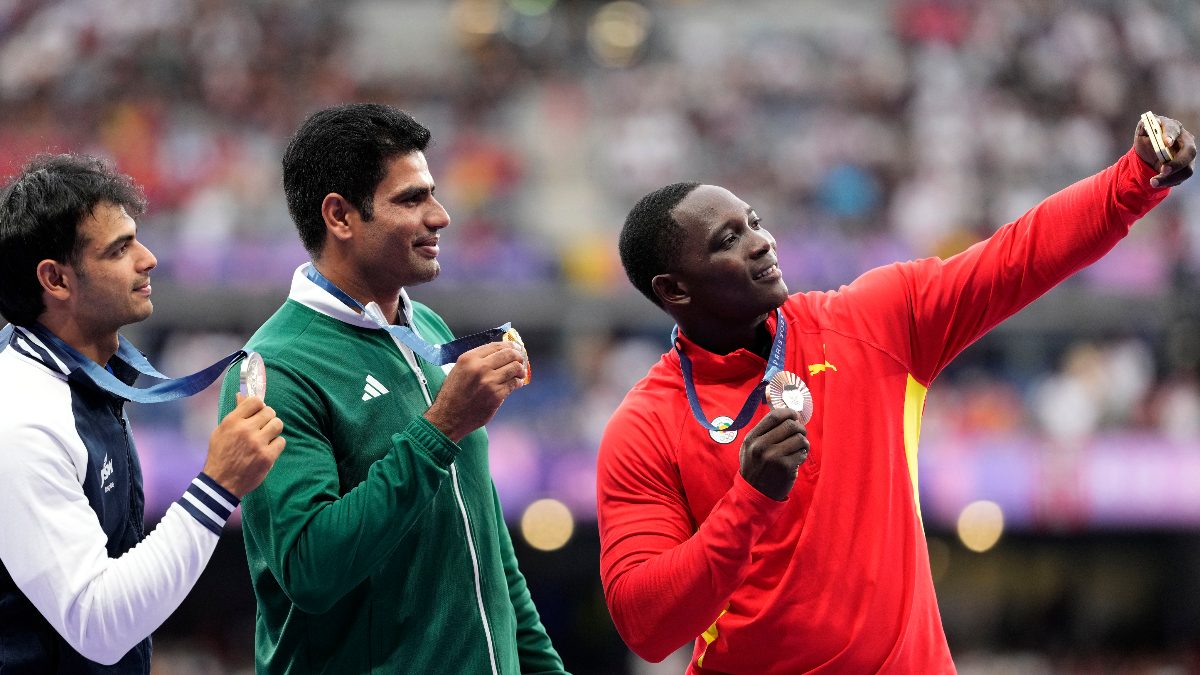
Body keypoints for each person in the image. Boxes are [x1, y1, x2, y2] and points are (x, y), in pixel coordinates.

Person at [597, 114, 1196, 673]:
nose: (761, 242)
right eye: (728, 239)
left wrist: (1134, 177)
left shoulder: (869, 322)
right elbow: (646, 626)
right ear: (674, 290)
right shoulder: (645, 426)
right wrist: (749, 502)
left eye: (754, 222)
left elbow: (1019, 256)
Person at [217, 102, 566, 674]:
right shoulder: (274, 369)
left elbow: (487, 554)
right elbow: (310, 569)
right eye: (411, 199)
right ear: (340, 216)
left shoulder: (427, 328)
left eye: (433, 194)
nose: (441, 216)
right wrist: (442, 426)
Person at [0, 154, 286, 673]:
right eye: (120, 249)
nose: (149, 258)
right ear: (56, 279)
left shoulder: (77, 373)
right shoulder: (21, 420)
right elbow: (97, 625)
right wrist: (218, 487)